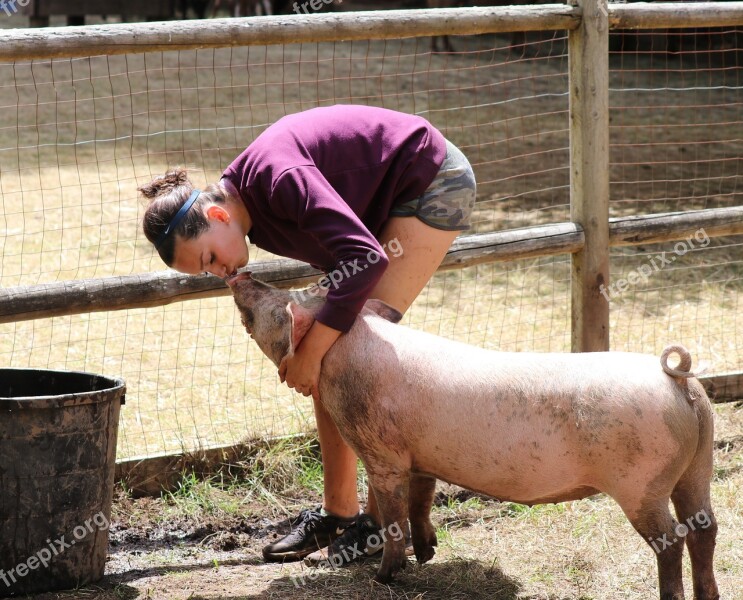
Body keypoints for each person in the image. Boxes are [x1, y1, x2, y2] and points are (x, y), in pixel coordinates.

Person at [139, 104, 476, 566]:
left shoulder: (279, 180)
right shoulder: (247, 213)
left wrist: (310, 355)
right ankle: (339, 512)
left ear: (217, 216)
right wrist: (312, 342)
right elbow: (346, 255)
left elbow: (367, 258)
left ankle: (380, 526)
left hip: (432, 180)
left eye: (210, 260)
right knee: (327, 344)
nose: (220, 273)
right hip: (379, 208)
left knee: (353, 350)